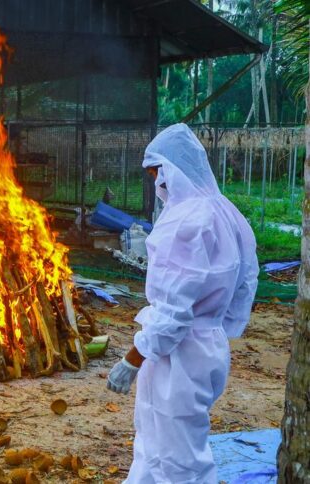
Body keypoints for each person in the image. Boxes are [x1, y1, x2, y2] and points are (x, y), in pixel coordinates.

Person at [106, 124, 258, 483]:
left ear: (171, 169)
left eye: (156, 172)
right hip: (206, 344)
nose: (155, 182)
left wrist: (134, 357)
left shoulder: (185, 221)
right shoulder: (226, 213)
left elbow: (173, 312)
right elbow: (246, 282)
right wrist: (220, 327)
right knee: (153, 445)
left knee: (180, 461)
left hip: (180, 355)